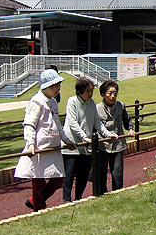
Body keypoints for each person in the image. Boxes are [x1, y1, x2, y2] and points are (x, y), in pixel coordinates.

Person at [14, 69, 76, 211]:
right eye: (56, 86)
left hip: (52, 147)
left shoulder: (53, 102)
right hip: (39, 149)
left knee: (58, 179)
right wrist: (30, 144)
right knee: (38, 182)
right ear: (48, 86)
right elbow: (29, 124)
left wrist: (66, 140)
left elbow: (57, 125)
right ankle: (39, 209)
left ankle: (33, 201)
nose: (59, 89)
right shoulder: (36, 103)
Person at [62, 78, 118, 202]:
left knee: (83, 174)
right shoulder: (72, 102)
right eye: (88, 91)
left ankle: (78, 198)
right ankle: (66, 199)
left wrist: (108, 134)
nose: (91, 93)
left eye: (92, 90)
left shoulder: (92, 103)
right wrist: (84, 137)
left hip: (85, 145)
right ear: (80, 91)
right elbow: (72, 123)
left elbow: (97, 123)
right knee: (69, 174)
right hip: (72, 144)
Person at [96, 80, 135, 193]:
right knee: (102, 172)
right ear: (103, 94)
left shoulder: (120, 105)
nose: (113, 96)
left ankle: (117, 193)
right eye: (110, 93)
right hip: (103, 145)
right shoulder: (97, 108)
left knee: (117, 171)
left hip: (118, 144)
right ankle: (102, 193)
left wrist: (130, 129)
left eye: (115, 93)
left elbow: (127, 120)